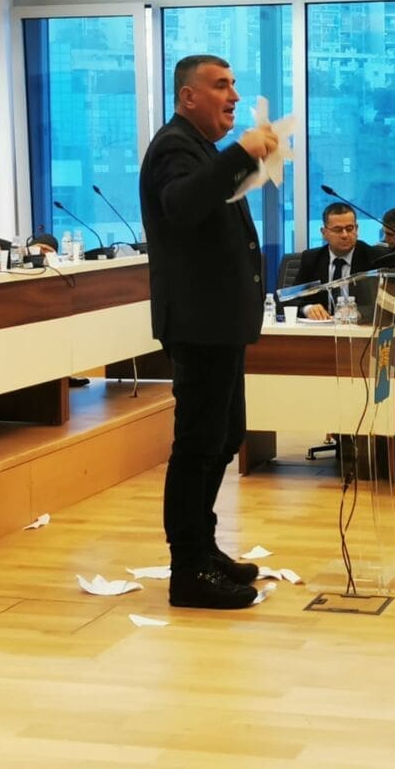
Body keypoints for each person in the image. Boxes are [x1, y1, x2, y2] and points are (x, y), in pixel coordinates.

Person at [139, 53, 279, 610]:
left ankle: (204, 546)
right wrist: (240, 154)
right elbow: (181, 204)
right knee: (197, 445)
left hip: (220, 322)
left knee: (223, 437)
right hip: (199, 323)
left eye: (235, 85)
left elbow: (208, 204)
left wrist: (244, 160)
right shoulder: (174, 146)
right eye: (221, 85)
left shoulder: (198, 148)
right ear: (188, 96)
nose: (234, 96)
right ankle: (188, 568)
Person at [292, 202, 375, 320]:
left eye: (349, 229)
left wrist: (358, 313)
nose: (345, 235)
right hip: (323, 328)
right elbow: (290, 298)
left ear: (356, 229)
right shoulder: (312, 259)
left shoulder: (372, 257)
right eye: (338, 230)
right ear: (324, 233)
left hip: (358, 328)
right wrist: (307, 308)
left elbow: (384, 303)